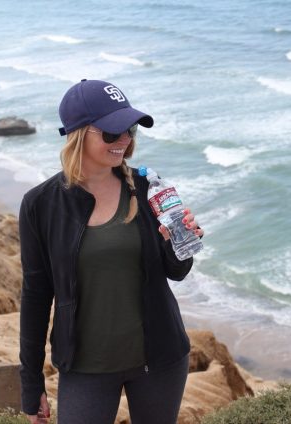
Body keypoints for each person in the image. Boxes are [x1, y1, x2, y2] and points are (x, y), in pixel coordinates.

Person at [19, 79, 204, 424]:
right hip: (85, 367)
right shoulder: (40, 205)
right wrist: (31, 382)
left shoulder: (148, 187)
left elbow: (176, 271)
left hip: (160, 360)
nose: (125, 141)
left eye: (130, 130)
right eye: (111, 133)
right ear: (77, 134)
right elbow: (35, 295)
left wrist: (179, 242)